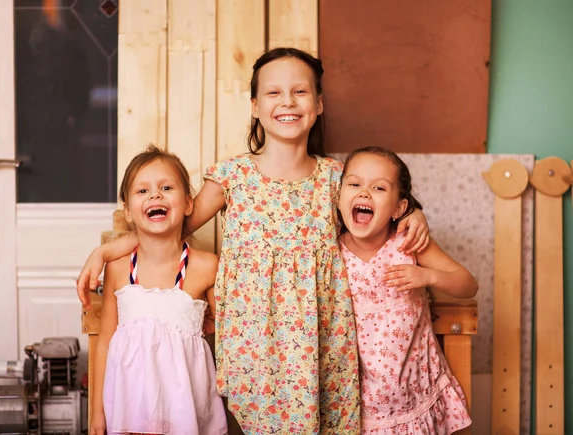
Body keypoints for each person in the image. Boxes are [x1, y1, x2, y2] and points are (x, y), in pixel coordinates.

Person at [78, 48, 430, 434]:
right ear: (255, 107)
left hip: (321, 342)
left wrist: (413, 211)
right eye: (273, 93)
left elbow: (378, 208)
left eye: (300, 92)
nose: (287, 102)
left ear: (318, 105)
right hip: (256, 345)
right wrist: (108, 249)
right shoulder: (235, 175)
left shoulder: (336, 178)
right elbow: (166, 228)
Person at [337, 146, 476, 434]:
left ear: (399, 208)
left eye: (378, 187)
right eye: (354, 184)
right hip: (358, 411)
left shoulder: (407, 243)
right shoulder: (328, 251)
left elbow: (467, 285)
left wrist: (427, 276)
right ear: (337, 197)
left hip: (413, 401)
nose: (363, 193)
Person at [90, 146, 227, 435]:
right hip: (131, 410)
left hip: (185, 411)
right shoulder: (117, 269)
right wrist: (97, 414)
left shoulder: (207, 267)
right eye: (142, 191)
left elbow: (226, 332)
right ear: (128, 211)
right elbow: (104, 344)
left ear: (189, 204)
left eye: (166, 187)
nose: (155, 195)